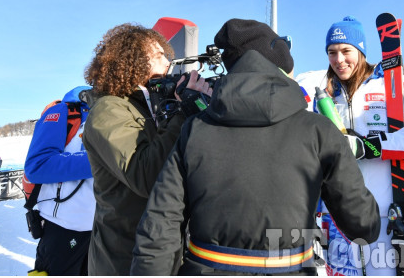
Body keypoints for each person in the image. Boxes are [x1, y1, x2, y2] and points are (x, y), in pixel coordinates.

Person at [131, 18, 381, 276]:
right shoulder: (320, 131)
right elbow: (364, 226)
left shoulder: (194, 130)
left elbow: (160, 228)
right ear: (279, 61)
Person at [317, 16, 404, 276]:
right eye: (332, 52)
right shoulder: (326, 98)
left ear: (361, 51)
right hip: (340, 220)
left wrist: (369, 147)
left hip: (388, 217)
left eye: (346, 51)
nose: (339, 59)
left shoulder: (391, 84)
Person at [82, 23, 212, 275]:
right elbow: (145, 175)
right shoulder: (108, 110)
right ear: (130, 60)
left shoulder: (147, 106)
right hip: (125, 258)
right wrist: (184, 112)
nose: (168, 62)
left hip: (161, 248)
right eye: (159, 55)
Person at [24, 86, 94, 276]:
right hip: (64, 229)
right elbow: (37, 166)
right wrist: (99, 159)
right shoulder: (64, 111)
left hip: (106, 229)